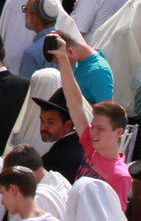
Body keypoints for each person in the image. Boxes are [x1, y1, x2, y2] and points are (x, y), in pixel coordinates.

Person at [47, 35, 130, 210]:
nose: (93, 132)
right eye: (94, 127)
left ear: (118, 133)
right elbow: (75, 104)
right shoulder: (91, 147)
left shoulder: (120, 176)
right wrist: (62, 58)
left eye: (100, 128)